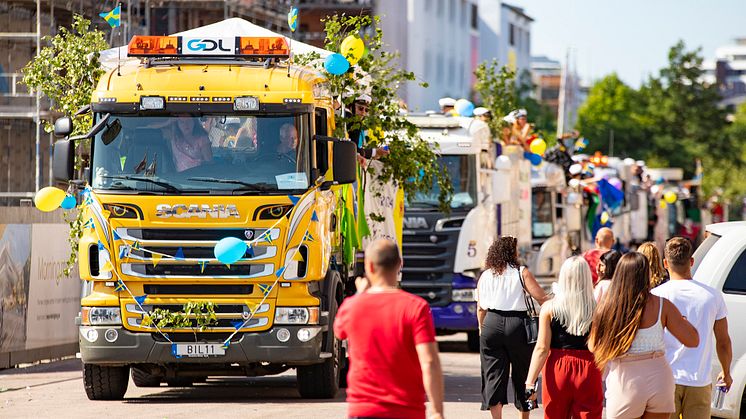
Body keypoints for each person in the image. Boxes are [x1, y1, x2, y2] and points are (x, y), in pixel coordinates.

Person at [334, 239, 445, 419]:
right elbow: (430, 361)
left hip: (364, 410)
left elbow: (339, 331)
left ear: (369, 267)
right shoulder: (416, 307)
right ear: (400, 265)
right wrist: (437, 410)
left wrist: (359, 294)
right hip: (407, 410)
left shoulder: (352, 306)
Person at [589, 252, 699, 419]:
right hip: (659, 376)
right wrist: (682, 320)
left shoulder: (607, 306)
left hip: (625, 378)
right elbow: (692, 340)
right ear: (646, 275)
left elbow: (593, 345)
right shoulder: (662, 305)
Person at [652, 237, 733, 418]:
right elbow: (723, 341)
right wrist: (726, 372)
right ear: (691, 261)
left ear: (665, 263)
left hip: (665, 380)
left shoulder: (655, 296)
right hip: (699, 380)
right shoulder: (712, 296)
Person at [476, 236, 550, 418]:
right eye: (516, 249)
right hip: (517, 325)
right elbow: (542, 298)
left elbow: (480, 308)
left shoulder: (486, 275)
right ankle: (524, 416)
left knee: (493, 375)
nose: (518, 253)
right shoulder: (521, 272)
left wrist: (481, 328)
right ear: (511, 252)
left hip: (491, 323)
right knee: (523, 372)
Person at [525, 257, 603, 418]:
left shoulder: (549, 308)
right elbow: (597, 346)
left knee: (555, 413)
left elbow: (541, 348)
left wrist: (530, 382)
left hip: (557, 367)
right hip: (589, 366)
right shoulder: (598, 309)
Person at [347, 94, 390, 161]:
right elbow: (354, 150)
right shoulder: (351, 121)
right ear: (351, 107)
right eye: (360, 108)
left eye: (366, 110)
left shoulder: (358, 124)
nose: (363, 113)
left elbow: (356, 150)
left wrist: (375, 152)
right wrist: (375, 152)